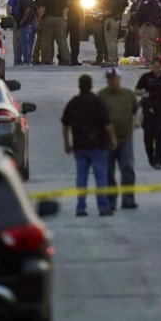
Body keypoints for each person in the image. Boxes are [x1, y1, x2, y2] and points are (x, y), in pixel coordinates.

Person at [61, 74, 117, 217]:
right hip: (98, 145)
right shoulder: (97, 102)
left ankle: (80, 208)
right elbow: (107, 124)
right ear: (91, 85)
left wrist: (67, 143)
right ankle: (103, 207)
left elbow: (65, 125)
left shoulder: (73, 103)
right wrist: (113, 139)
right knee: (101, 177)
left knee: (81, 178)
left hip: (80, 146)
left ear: (79, 86)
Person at [98, 67, 140, 210]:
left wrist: (139, 121)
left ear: (119, 79)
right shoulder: (102, 96)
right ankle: (111, 200)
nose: (111, 81)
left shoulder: (128, 95)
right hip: (107, 141)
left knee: (127, 168)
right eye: (109, 79)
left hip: (125, 139)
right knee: (108, 171)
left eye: (113, 78)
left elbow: (137, 110)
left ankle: (128, 198)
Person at [37, 0, 71, 66]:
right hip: (59, 19)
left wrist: (39, 19)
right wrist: (63, 18)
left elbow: (42, 9)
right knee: (62, 40)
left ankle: (46, 60)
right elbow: (66, 8)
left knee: (46, 40)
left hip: (48, 18)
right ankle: (66, 59)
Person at [135, 0, 161, 69]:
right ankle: (153, 62)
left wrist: (135, 17)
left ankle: (149, 63)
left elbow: (143, 12)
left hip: (148, 24)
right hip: (154, 24)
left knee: (147, 43)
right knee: (152, 44)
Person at [102, 0, 128, 67]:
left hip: (111, 20)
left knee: (110, 41)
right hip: (115, 20)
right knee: (113, 40)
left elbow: (110, 11)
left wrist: (100, 14)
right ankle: (114, 59)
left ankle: (111, 60)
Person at [7, 0, 31, 65]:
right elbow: (8, 5)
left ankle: (25, 58)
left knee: (25, 40)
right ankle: (17, 59)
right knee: (17, 39)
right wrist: (9, 17)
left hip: (26, 20)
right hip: (17, 18)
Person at [13, 0, 38, 65]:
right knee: (28, 43)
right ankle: (26, 59)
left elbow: (27, 9)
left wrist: (23, 20)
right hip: (30, 23)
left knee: (23, 43)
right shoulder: (30, 0)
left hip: (24, 24)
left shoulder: (22, 0)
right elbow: (36, 9)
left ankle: (26, 60)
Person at [65, 0, 84, 66]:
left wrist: (82, 20)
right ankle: (63, 57)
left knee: (75, 40)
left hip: (75, 19)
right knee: (63, 39)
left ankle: (74, 59)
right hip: (67, 19)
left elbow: (81, 8)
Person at [91, 0, 109, 65]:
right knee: (97, 41)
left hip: (101, 21)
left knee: (102, 40)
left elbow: (106, 10)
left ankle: (105, 57)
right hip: (95, 21)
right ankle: (99, 57)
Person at [32, 0, 49, 65]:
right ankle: (44, 59)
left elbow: (33, 9)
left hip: (38, 21)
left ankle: (35, 58)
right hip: (45, 20)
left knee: (38, 41)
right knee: (45, 40)